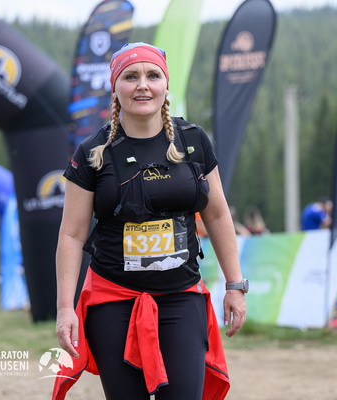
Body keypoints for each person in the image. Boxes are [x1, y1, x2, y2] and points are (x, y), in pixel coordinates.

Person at [54, 42, 246, 400]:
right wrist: (66, 309)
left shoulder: (193, 141)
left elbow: (218, 214)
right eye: (131, 77)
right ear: (115, 87)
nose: (142, 85)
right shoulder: (93, 152)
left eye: (152, 75)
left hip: (181, 298)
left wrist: (235, 285)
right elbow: (72, 235)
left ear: (165, 84)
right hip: (113, 300)